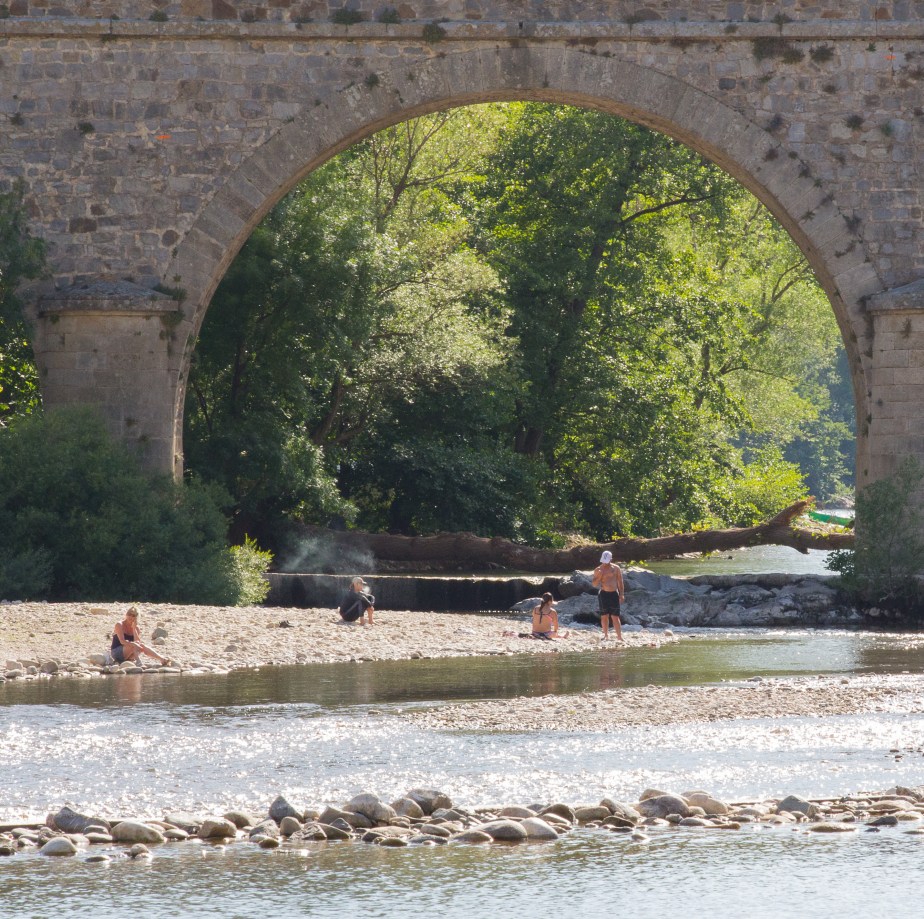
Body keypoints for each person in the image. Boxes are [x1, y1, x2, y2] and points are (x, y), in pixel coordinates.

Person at [592, 550, 625, 641]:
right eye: (604, 561)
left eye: (606, 561)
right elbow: (594, 584)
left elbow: (620, 581)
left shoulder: (616, 568)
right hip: (603, 594)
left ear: (611, 559)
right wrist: (599, 575)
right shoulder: (598, 569)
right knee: (604, 616)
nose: (605, 563)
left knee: (615, 616)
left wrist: (621, 594)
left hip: (614, 593)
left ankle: (619, 636)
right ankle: (606, 635)